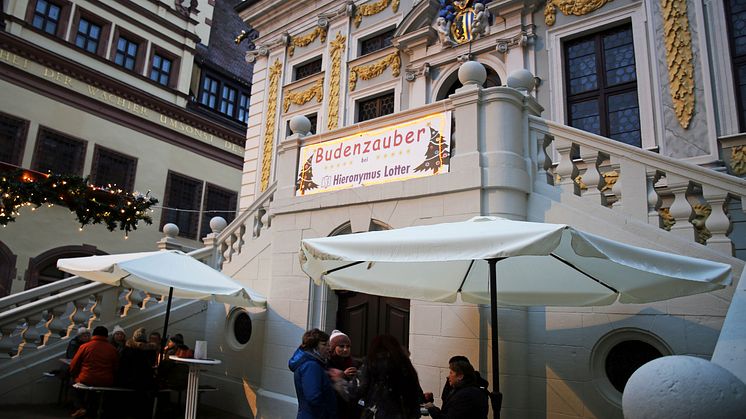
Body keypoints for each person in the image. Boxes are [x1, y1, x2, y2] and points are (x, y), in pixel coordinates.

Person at [334, 335, 422, 419]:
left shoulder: (371, 364)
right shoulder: (406, 366)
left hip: (377, 413)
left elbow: (354, 390)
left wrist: (339, 381)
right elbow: (416, 395)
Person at [68, 326, 119, 418]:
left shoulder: (85, 346)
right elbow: (116, 367)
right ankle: (94, 409)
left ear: (93, 335)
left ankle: (80, 407)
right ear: (106, 336)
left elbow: (74, 364)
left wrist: (75, 374)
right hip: (106, 380)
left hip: (86, 378)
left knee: (72, 383)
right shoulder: (112, 349)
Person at [288, 328, 337, 419]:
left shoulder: (315, 364)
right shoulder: (311, 366)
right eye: (324, 344)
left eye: (328, 345)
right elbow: (313, 397)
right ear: (314, 347)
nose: (329, 348)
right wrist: (327, 414)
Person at [424, 357, 489, 419]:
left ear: (460, 376)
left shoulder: (465, 395)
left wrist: (432, 408)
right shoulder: (467, 390)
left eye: (451, 373)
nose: (448, 376)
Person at [327, 330, 361, 419]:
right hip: (335, 408)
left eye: (348, 346)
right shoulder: (327, 362)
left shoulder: (354, 363)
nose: (345, 349)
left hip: (351, 408)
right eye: (341, 346)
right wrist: (343, 376)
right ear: (333, 347)